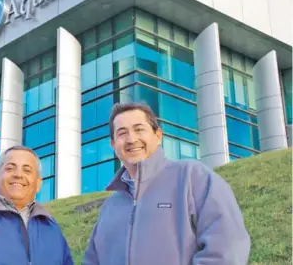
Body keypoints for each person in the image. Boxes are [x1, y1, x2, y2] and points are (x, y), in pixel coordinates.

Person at [83, 102, 251, 265]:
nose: (131, 139)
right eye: (122, 133)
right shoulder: (109, 207)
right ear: (113, 144)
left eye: (139, 129)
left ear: (158, 135)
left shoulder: (193, 177)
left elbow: (227, 247)